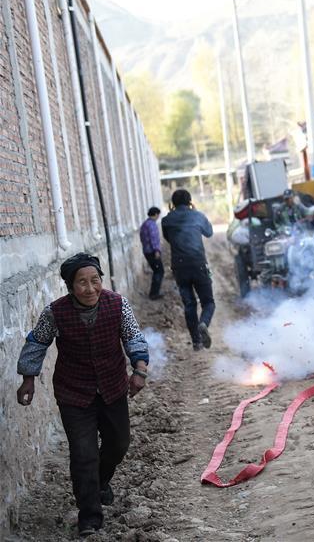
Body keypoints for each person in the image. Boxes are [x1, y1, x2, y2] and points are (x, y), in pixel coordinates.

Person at [16, 253, 149, 537]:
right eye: (82, 283)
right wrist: (28, 378)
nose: (90, 289)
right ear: (70, 287)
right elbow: (37, 342)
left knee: (119, 443)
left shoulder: (118, 304)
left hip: (112, 387)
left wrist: (139, 369)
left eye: (95, 280)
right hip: (74, 392)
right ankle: (89, 517)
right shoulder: (55, 312)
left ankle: (99, 482)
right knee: (83, 453)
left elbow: (133, 336)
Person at [161, 189, 215, 351]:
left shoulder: (166, 220)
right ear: (190, 201)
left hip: (179, 267)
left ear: (172, 203)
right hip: (198, 264)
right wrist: (196, 212)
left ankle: (196, 342)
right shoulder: (197, 216)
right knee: (208, 302)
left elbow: (169, 239)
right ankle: (203, 323)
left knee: (189, 304)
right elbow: (209, 233)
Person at [139, 207, 165, 299]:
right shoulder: (151, 225)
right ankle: (154, 294)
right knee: (159, 271)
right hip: (153, 252)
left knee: (157, 271)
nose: (158, 217)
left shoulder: (145, 224)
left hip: (147, 251)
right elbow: (153, 239)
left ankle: (154, 293)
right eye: (158, 215)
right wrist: (156, 250)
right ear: (156, 214)